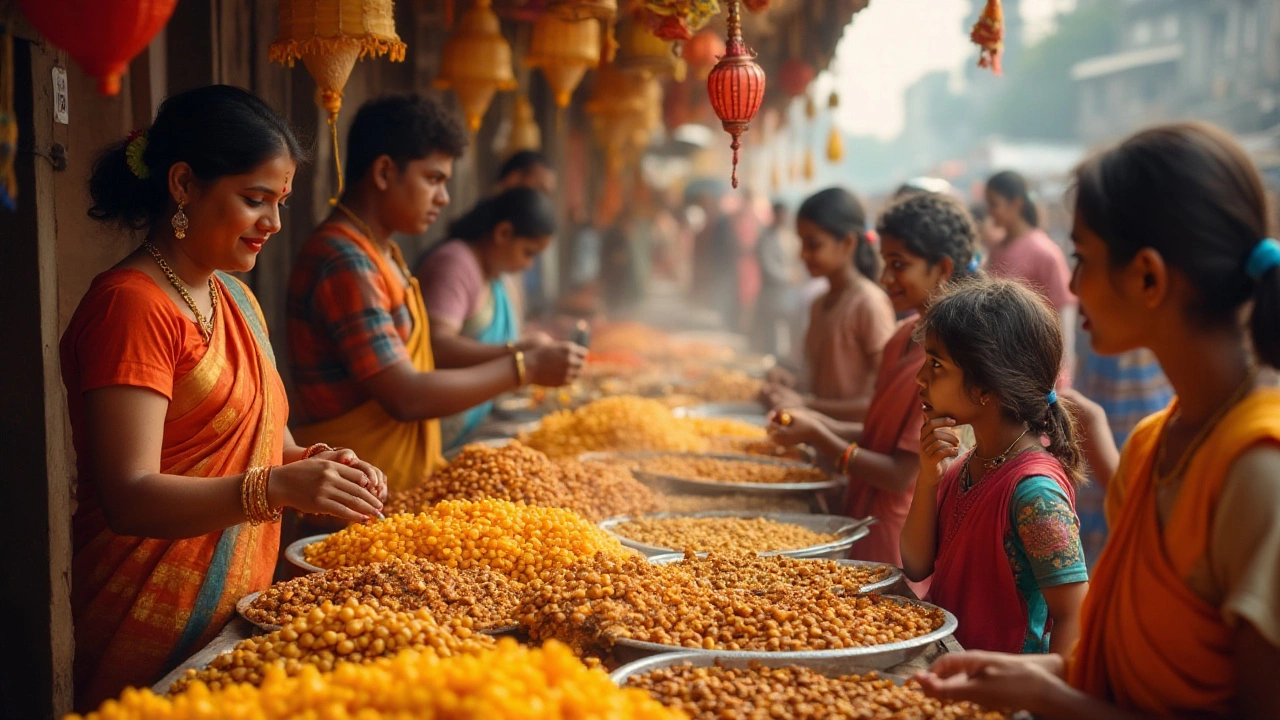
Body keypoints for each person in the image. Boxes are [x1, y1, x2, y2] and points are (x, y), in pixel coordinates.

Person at [918, 122, 1280, 719]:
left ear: (1148, 277)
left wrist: (1049, 696)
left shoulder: (1258, 471)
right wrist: (1038, 670)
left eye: (1082, 258)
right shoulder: (1150, 444)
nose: (1075, 287)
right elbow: (1128, 668)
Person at [62, 85, 388, 710]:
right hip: (137, 614)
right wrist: (278, 489)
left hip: (233, 614)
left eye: (281, 202)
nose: (273, 223)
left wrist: (320, 467)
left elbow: (271, 447)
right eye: (254, 199)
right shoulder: (131, 307)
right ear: (183, 184)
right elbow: (129, 496)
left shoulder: (235, 298)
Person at [286, 94, 584, 492]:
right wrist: (523, 367)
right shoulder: (343, 260)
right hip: (349, 495)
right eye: (433, 179)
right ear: (385, 172)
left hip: (389, 485)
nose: (443, 198)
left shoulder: (382, 252)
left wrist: (521, 355)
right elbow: (405, 396)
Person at [767, 191, 978, 576]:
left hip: (897, 531)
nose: (885, 279)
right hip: (860, 510)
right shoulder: (902, 335)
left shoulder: (948, 360)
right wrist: (812, 422)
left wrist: (819, 434)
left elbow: (901, 472)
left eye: (899, 265)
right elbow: (877, 432)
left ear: (942, 268)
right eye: (885, 264)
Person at [902, 278, 1089, 655]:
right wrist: (927, 480)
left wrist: (1043, 699)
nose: (921, 378)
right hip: (955, 672)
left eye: (936, 364)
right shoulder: (970, 464)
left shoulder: (1034, 492)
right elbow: (916, 565)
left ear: (987, 387)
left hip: (1004, 694)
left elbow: (1074, 616)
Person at [413, 187, 569, 448]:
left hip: (471, 424)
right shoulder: (455, 264)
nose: (529, 265)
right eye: (528, 252)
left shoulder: (494, 274)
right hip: (436, 430)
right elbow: (436, 345)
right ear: (503, 233)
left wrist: (531, 345)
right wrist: (520, 356)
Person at [761, 188, 896, 422]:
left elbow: (886, 400)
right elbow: (820, 381)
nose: (803, 255)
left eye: (813, 245)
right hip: (820, 439)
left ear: (847, 243)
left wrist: (807, 404)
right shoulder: (819, 304)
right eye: (801, 244)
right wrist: (791, 384)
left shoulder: (868, 304)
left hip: (853, 448)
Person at [984, 170, 1077, 385]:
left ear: (1015, 203)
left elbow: (1063, 313)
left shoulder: (1044, 251)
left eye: (994, 204)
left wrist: (1062, 370)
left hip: (1036, 365)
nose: (990, 213)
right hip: (1004, 363)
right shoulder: (997, 248)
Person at [752, 202, 796, 356]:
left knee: (786, 332)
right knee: (771, 331)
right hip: (771, 291)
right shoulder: (766, 237)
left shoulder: (790, 235)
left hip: (789, 293)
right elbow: (767, 265)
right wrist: (788, 276)